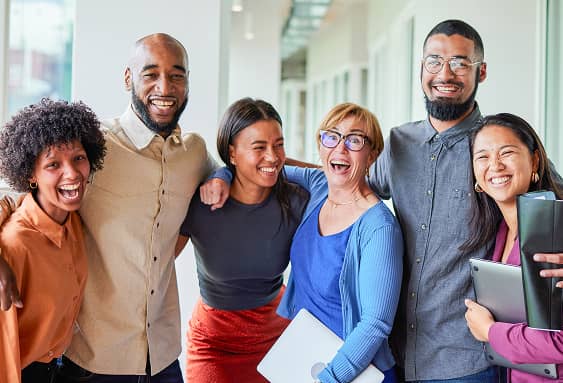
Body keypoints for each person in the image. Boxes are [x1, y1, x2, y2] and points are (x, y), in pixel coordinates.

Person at [0, 33, 228, 382]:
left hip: (164, 357)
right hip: (94, 361)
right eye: (150, 74)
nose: (164, 87)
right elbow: (18, 197)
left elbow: (246, 169)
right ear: (128, 79)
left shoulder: (194, 153)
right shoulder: (90, 149)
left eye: (177, 75)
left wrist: (224, 175)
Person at [367, 19, 497, 382]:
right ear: (421, 68)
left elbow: (552, 207)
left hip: (466, 361)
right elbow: (346, 188)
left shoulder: (498, 147)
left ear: (481, 72)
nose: (445, 73)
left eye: (459, 62)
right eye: (434, 61)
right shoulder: (397, 144)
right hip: (394, 354)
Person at [175, 98, 308, 382]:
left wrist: (269, 164)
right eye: (259, 147)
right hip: (215, 340)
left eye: (279, 145)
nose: (272, 156)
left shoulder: (295, 200)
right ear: (232, 153)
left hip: (274, 331)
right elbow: (158, 261)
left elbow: (334, 176)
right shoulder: (203, 203)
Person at [278, 103, 404, 382]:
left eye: (355, 140)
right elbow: (264, 165)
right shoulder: (320, 185)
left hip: (352, 374)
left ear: (372, 155)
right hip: (309, 361)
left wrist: (330, 378)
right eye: (331, 136)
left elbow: (375, 324)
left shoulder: (378, 227)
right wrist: (222, 176)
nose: (340, 148)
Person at [0, 99, 106, 383]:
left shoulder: (74, 221)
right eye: (53, 164)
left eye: (79, 158)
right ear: (30, 175)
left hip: (61, 369)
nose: (71, 173)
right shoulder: (15, 245)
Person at [462, 113, 563, 382]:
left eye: (506, 152)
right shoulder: (500, 232)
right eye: (482, 156)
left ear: (535, 161)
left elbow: (558, 343)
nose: (494, 165)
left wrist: (490, 332)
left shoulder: (554, 231)